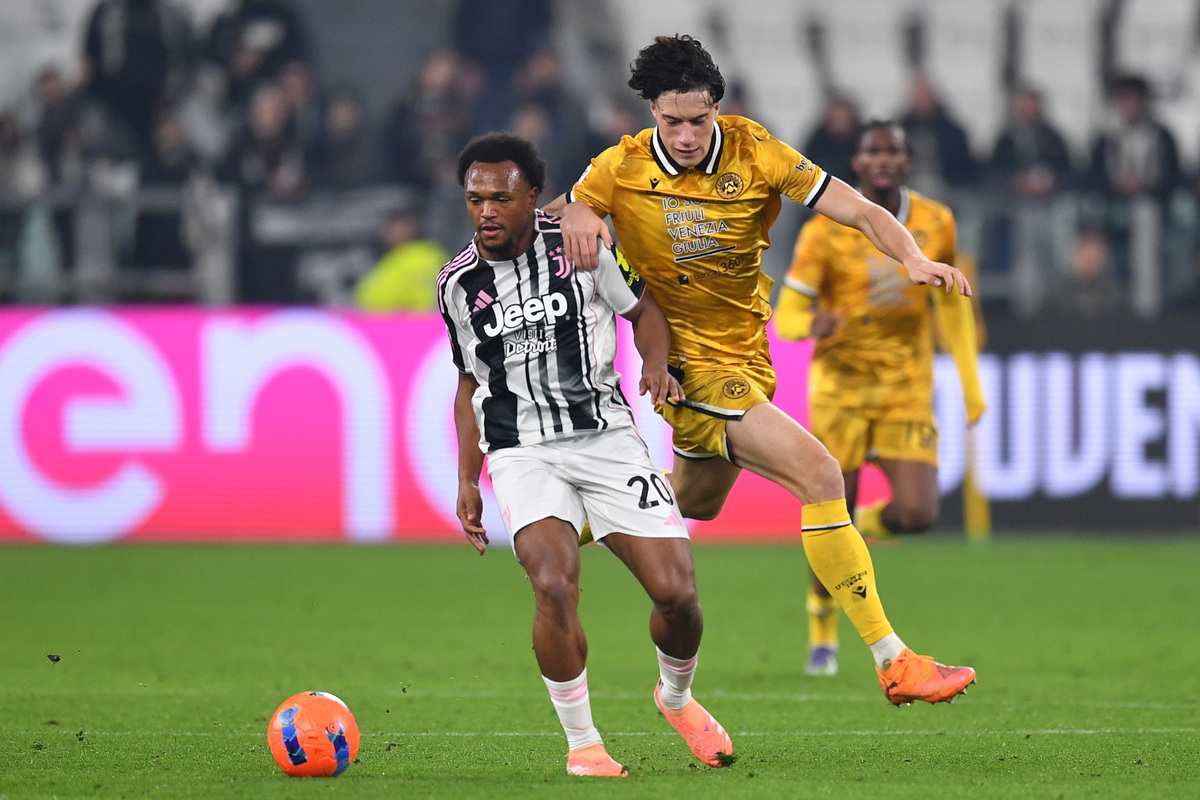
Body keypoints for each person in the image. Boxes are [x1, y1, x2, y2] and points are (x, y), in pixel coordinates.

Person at [547, 34, 976, 705]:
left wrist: (913, 259)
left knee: (696, 502)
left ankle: (556, 520)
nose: (686, 136)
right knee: (821, 475)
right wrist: (573, 208)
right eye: (671, 122)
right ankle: (895, 661)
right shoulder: (619, 167)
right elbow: (558, 216)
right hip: (688, 367)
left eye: (698, 120)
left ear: (716, 107)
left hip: (748, 355)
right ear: (652, 113)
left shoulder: (756, 150)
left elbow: (861, 211)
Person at [440, 132, 733, 777]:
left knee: (678, 596)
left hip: (605, 438)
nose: (486, 211)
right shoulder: (457, 284)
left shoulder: (582, 246)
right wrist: (467, 479)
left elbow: (645, 311)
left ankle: (675, 697)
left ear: (533, 197)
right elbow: (468, 381)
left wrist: (655, 365)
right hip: (521, 450)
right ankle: (584, 745)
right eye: (474, 199)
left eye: (500, 198)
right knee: (551, 582)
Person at [773, 121, 986, 676]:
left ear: (907, 161)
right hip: (841, 389)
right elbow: (787, 312)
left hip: (904, 388)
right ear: (858, 163)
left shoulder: (937, 222)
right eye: (874, 151)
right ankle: (822, 632)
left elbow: (953, 303)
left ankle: (862, 524)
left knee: (917, 513)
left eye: (894, 150)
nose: (884, 159)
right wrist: (812, 322)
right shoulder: (825, 231)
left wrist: (970, 384)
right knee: (828, 509)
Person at [355, 204, 448, 311]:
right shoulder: (389, 257)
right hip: (382, 317)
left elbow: (372, 300)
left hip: (414, 318)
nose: (390, 231)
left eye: (396, 226)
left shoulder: (422, 257)